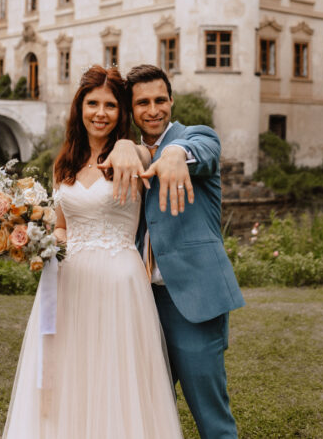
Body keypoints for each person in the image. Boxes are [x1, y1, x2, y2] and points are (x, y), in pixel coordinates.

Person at [3, 65, 183, 439]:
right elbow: (63, 224)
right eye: (92, 103)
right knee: (71, 369)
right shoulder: (64, 162)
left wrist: (124, 144)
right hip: (67, 281)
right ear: (79, 108)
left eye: (110, 106)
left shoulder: (134, 155)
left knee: (115, 373)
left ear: (121, 113)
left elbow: (143, 153)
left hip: (119, 279)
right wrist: (38, 243)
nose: (100, 113)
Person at [100, 64, 245, 439]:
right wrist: (120, 144)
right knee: (146, 409)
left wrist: (176, 153)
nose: (153, 110)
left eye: (160, 100)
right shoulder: (127, 152)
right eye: (143, 103)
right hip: (138, 300)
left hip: (191, 301)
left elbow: (201, 150)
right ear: (131, 110)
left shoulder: (197, 136)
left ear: (171, 100)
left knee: (212, 418)